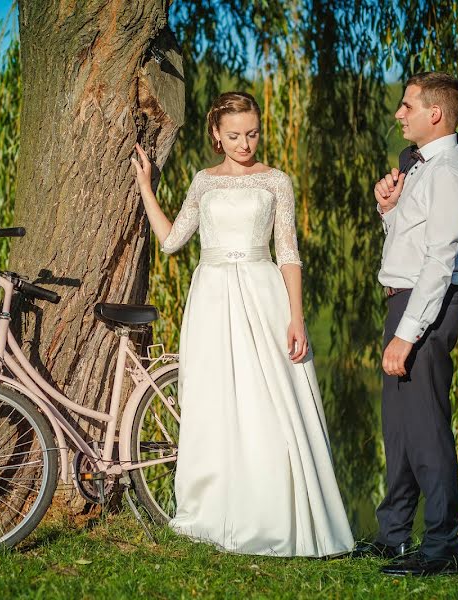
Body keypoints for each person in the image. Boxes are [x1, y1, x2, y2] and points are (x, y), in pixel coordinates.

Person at [131, 91, 354, 557]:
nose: (244, 143)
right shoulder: (203, 182)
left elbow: (288, 252)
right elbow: (172, 241)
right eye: (233, 135)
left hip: (261, 290)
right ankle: (213, 507)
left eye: (251, 133)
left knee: (266, 401)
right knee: (213, 400)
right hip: (211, 296)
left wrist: (296, 317)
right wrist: (147, 189)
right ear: (216, 134)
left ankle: (272, 513)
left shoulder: (277, 182)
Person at [352, 71, 458, 576]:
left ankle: (442, 548)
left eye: (407, 105)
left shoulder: (448, 171)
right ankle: (393, 536)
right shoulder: (422, 168)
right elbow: (409, 245)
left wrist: (407, 334)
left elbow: (439, 262)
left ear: (434, 113)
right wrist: (388, 209)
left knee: (428, 429)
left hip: (426, 309)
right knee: (402, 431)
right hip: (406, 300)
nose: (399, 114)